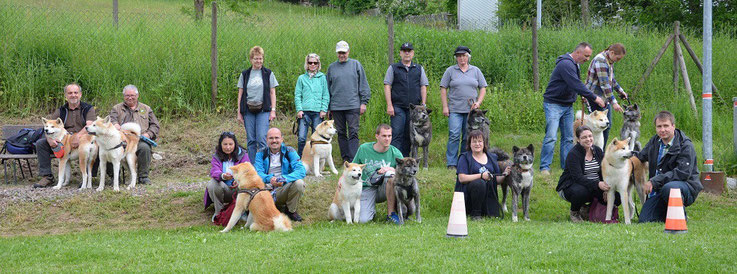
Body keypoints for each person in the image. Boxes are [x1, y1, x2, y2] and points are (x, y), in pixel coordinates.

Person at [540, 42, 606, 175]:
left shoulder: (575, 65)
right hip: (553, 104)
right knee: (551, 136)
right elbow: (575, 83)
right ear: (578, 53)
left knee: (569, 138)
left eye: (589, 57)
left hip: (567, 105)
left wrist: (580, 95)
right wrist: (594, 97)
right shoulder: (566, 64)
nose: (587, 59)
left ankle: (567, 166)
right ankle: (544, 167)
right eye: (586, 56)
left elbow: (574, 84)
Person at [636, 111, 702, 223]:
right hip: (659, 189)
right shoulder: (654, 141)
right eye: (659, 126)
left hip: (686, 187)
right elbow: (641, 156)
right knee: (645, 220)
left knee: (669, 188)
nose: (662, 130)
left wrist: (654, 181)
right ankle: (667, 212)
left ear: (673, 126)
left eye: (666, 126)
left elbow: (682, 173)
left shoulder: (685, 145)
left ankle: (680, 216)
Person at [33, 83, 97, 188]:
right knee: (41, 143)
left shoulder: (88, 108)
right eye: (70, 93)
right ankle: (47, 177)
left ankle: (89, 177)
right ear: (65, 96)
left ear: (80, 94)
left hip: (83, 138)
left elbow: (89, 125)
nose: (73, 95)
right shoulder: (60, 110)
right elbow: (48, 126)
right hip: (63, 140)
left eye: (76, 93)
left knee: (96, 142)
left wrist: (77, 136)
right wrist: (49, 140)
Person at [555, 125, 618, 222]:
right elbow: (578, 178)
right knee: (581, 192)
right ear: (578, 140)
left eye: (590, 136)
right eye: (584, 137)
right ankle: (575, 212)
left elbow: (604, 171)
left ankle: (588, 209)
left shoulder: (598, 150)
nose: (588, 139)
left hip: (594, 185)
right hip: (571, 186)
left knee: (616, 197)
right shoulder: (573, 154)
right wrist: (598, 184)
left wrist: (606, 188)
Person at [440, 46, 488, 170]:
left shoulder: (475, 70)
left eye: (464, 55)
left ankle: (464, 160)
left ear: (468, 57)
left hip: (471, 112)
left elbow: (483, 87)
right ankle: (451, 163)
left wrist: (478, 102)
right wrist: (445, 106)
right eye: (459, 56)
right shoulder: (450, 71)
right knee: (454, 134)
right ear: (456, 57)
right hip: (455, 109)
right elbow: (443, 88)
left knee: (468, 136)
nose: (462, 58)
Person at [327, 40, 371, 162]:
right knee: (341, 133)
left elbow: (363, 84)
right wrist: (328, 106)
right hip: (336, 106)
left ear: (348, 52)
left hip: (353, 105)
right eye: (339, 52)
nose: (342, 55)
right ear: (337, 53)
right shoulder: (331, 68)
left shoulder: (356, 65)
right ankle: (345, 159)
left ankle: (353, 159)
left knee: (353, 132)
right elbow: (327, 88)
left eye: (344, 52)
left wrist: (363, 102)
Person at [383, 42, 429, 156]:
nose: (407, 53)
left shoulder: (419, 68)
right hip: (397, 107)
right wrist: (389, 105)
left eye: (409, 51)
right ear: (400, 53)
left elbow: (423, 86)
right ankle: (394, 158)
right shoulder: (393, 68)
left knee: (409, 134)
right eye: (404, 51)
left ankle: (405, 158)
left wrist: (423, 104)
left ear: (413, 53)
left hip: (414, 109)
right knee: (397, 133)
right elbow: (387, 85)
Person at [109, 84, 161, 185]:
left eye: (132, 95)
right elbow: (111, 120)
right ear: (123, 96)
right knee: (109, 148)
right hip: (121, 140)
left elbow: (155, 125)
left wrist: (149, 134)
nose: (130, 98)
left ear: (137, 95)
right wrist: (114, 124)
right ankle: (114, 177)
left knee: (145, 148)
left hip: (139, 140)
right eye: (127, 95)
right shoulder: (116, 108)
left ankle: (143, 177)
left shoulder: (146, 109)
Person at [352, 124, 403, 224]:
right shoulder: (364, 149)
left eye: (389, 136)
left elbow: (405, 176)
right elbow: (352, 167)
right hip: (367, 188)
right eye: (384, 136)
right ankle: (370, 210)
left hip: (386, 188)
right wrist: (341, 179)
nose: (387, 139)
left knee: (391, 175)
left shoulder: (396, 153)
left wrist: (392, 169)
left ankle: (391, 214)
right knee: (363, 220)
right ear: (377, 136)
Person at [455, 130, 510, 220]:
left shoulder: (492, 157)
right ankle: (475, 214)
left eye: (480, 141)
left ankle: (486, 210)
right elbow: (462, 178)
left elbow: (496, 180)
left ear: (484, 143)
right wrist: (481, 176)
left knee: (494, 215)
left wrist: (504, 174)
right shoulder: (464, 157)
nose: (477, 144)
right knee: (479, 183)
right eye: (474, 142)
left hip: (489, 195)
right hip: (469, 196)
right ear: (469, 144)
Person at [254, 128, 306, 222]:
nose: (274, 141)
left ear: (282, 139)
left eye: (277, 138)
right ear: (266, 140)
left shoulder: (290, 151)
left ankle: (290, 211)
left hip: (283, 188)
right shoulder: (260, 153)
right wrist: (269, 179)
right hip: (266, 189)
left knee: (299, 183)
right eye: (271, 138)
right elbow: (257, 173)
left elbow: (301, 171)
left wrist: (283, 179)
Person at [237, 46, 279, 162]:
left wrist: (273, 110)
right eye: (256, 59)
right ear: (251, 59)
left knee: (261, 138)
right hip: (248, 110)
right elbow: (240, 93)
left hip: (263, 110)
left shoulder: (268, 73)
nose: (258, 61)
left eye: (260, 58)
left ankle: (263, 165)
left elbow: (272, 92)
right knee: (251, 140)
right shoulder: (245, 74)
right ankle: (252, 165)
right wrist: (239, 112)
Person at [585, 43, 629, 147]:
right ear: (612, 52)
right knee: (596, 127)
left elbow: (611, 79)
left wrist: (620, 91)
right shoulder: (601, 60)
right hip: (594, 97)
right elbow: (604, 84)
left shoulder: (609, 60)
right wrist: (614, 103)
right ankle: (593, 151)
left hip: (604, 98)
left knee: (606, 126)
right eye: (618, 58)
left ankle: (600, 152)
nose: (618, 60)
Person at [205, 132, 250, 222]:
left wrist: (239, 180)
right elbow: (214, 171)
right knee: (212, 183)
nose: (228, 147)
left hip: (238, 189)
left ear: (235, 144)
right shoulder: (216, 156)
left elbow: (247, 170)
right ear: (221, 145)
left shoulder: (243, 155)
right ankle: (219, 213)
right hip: (224, 189)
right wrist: (223, 176)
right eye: (225, 144)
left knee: (246, 184)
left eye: (230, 144)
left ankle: (242, 212)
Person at [295, 53, 330, 157]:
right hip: (304, 112)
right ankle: (300, 160)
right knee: (301, 138)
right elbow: (297, 95)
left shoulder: (322, 77)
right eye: (310, 62)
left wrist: (324, 109)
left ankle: (315, 161)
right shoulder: (301, 78)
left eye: (315, 63)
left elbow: (325, 94)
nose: (313, 65)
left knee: (317, 139)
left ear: (318, 64)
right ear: (307, 64)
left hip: (317, 112)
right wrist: (299, 110)